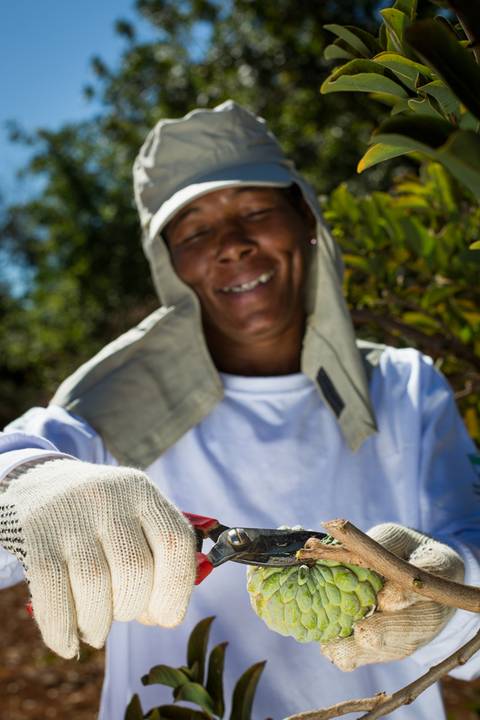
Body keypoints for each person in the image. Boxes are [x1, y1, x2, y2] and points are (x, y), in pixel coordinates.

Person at [0, 100, 479, 720]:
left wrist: (449, 589)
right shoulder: (119, 398)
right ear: (170, 261)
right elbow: (14, 471)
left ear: (304, 218)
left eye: (254, 211)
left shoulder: (404, 384)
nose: (231, 245)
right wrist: (27, 490)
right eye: (196, 230)